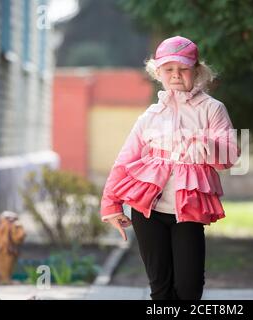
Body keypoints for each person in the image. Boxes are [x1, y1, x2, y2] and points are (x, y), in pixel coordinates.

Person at [99, 35, 240, 300]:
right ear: (158, 72)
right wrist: (111, 205)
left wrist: (205, 143)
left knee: (189, 288)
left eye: (183, 68)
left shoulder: (212, 110)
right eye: (168, 69)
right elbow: (125, 160)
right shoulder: (150, 116)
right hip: (147, 210)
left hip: (188, 210)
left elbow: (231, 154)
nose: (176, 75)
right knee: (160, 290)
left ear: (197, 71)